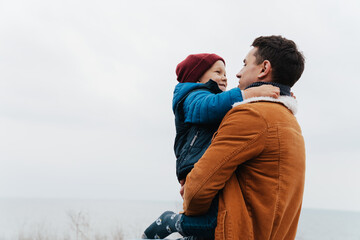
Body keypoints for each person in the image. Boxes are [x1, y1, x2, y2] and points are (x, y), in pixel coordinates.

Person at [142, 53, 280, 239]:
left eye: (225, 72)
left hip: (208, 164)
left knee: (209, 224)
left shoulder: (217, 100)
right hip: (195, 162)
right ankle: (170, 221)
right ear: (198, 77)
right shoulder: (192, 95)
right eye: (218, 72)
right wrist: (249, 93)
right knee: (214, 222)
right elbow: (208, 108)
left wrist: (277, 98)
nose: (225, 77)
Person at [182, 35, 306, 240]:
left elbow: (196, 192)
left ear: (264, 68)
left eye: (245, 63)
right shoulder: (290, 122)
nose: (238, 74)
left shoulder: (252, 115)